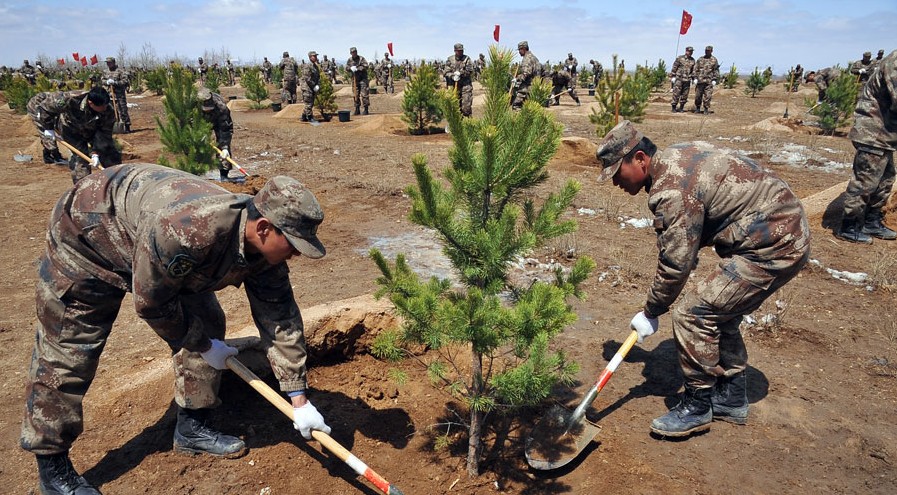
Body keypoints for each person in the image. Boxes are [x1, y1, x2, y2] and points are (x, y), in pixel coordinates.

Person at [20, 164, 332, 494]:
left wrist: (298, 399)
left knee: (207, 322)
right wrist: (202, 344)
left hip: (148, 236)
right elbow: (152, 303)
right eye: (294, 244)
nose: (297, 254)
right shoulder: (188, 230)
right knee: (70, 349)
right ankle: (53, 469)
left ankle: (193, 428)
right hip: (88, 234)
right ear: (265, 228)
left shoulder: (261, 248)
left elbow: (279, 317)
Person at [594, 120, 810, 438]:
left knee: (693, 314)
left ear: (639, 159)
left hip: (774, 244)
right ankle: (732, 397)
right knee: (719, 311)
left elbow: (675, 265)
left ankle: (697, 406)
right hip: (780, 231)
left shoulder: (670, 189)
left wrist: (652, 311)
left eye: (617, 173)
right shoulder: (676, 156)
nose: (615, 183)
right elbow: (688, 242)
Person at [835, 49, 897, 244]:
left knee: (886, 179)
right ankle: (849, 226)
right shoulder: (895, 62)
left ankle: (871, 221)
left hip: (886, 134)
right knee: (866, 181)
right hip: (874, 131)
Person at [26, 87, 120, 183]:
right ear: (91, 103)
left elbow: (105, 134)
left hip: (91, 129)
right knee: (80, 159)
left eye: (106, 104)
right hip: (70, 129)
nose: (105, 108)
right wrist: (48, 128)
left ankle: (115, 181)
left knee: (110, 154)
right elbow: (44, 109)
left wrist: (96, 152)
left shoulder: (108, 111)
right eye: (102, 106)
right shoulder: (70, 98)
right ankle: (82, 187)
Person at [196, 87, 236, 181]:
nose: (207, 111)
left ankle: (224, 175)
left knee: (223, 151)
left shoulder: (221, 107)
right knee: (195, 147)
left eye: (209, 109)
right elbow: (187, 124)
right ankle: (195, 173)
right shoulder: (192, 107)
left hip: (218, 122)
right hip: (199, 122)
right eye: (205, 109)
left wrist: (225, 147)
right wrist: (199, 133)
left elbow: (225, 129)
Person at [443, 43, 475, 117]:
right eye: (459, 51)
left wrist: (461, 73)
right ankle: (455, 126)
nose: (461, 52)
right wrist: (452, 76)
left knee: (466, 108)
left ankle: (467, 123)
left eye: (462, 50)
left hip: (465, 86)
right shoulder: (450, 59)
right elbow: (445, 72)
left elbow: (470, 71)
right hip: (453, 87)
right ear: (455, 51)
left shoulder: (467, 59)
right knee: (454, 107)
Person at [103, 56, 131, 133]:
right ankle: (114, 126)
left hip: (119, 94)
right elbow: (102, 80)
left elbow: (125, 81)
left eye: (109, 63)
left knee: (123, 110)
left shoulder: (120, 71)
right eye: (107, 63)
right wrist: (107, 82)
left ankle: (127, 125)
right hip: (110, 94)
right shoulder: (105, 71)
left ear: (114, 62)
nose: (108, 64)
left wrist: (116, 83)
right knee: (111, 110)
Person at [511, 40, 540, 109]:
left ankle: (518, 119)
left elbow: (526, 73)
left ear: (524, 48)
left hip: (527, 87)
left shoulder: (526, 58)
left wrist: (516, 79)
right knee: (530, 109)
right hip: (535, 87)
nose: (519, 52)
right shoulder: (534, 57)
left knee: (516, 105)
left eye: (519, 50)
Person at [692, 45, 720, 114]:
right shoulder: (700, 59)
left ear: (711, 51)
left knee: (708, 96)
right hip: (700, 81)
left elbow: (716, 70)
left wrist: (715, 79)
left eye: (708, 51)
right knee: (698, 96)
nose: (707, 52)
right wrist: (695, 78)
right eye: (706, 50)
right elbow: (695, 69)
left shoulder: (714, 60)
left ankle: (706, 109)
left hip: (709, 81)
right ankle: (698, 108)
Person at [669, 46, 696, 112]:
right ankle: (674, 107)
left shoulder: (693, 60)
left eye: (691, 51)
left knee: (685, 95)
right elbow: (674, 67)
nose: (690, 52)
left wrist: (694, 78)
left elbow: (693, 70)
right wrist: (673, 76)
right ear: (686, 51)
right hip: (679, 79)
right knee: (676, 93)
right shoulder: (680, 58)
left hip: (687, 80)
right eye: (689, 51)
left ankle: (681, 107)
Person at [346, 46, 370, 115]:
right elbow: (346, 67)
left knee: (364, 94)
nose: (354, 53)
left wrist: (357, 68)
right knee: (355, 94)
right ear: (351, 53)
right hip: (355, 80)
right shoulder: (349, 60)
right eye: (353, 52)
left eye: (355, 52)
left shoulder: (361, 58)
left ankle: (366, 109)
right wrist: (350, 68)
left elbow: (366, 66)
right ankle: (357, 109)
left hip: (363, 79)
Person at [299, 51, 321, 123]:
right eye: (313, 56)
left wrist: (317, 85)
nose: (315, 57)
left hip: (313, 87)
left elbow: (318, 77)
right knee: (308, 103)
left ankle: (303, 116)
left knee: (310, 103)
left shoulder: (315, 67)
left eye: (316, 56)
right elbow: (307, 78)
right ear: (310, 57)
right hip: (307, 87)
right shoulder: (307, 66)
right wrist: (314, 86)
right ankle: (310, 117)